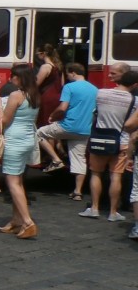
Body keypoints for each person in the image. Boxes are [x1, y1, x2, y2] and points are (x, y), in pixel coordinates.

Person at [79, 66, 137, 221]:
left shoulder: (101, 93)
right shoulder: (134, 100)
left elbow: (95, 114)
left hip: (99, 139)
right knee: (116, 176)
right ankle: (113, 212)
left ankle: (95, 208)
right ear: (134, 85)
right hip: (122, 141)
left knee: (96, 174)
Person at [37, 62, 98, 201]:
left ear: (73, 73)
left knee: (39, 133)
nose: (68, 76)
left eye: (68, 73)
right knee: (79, 159)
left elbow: (63, 107)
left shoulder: (69, 87)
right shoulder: (95, 89)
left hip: (67, 126)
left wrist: (53, 115)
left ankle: (56, 159)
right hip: (85, 129)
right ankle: (77, 192)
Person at [0, 65, 40, 239]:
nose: (11, 79)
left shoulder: (16, 95)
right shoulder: (35, 95)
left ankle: (27, 222)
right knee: (19, 180)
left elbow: (4, 121)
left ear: (20, 78)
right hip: (28, 139)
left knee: (13, 182)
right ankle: (16, 220)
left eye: (13, 76)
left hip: (14, 140)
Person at [35, 44, 64, 128]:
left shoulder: (45, 67)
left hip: (46, 97)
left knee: (44, 124)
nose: (37, 56)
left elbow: (36, 83)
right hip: (57, 97)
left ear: (43, 53)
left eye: (38, 54)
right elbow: (62, 84)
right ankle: (57, 142)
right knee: (54, 125)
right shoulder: (59, 67)